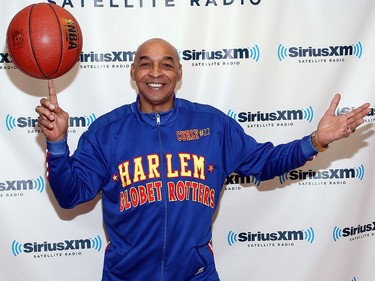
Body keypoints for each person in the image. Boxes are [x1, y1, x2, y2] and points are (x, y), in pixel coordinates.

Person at [36, 38, 370, 281]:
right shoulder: (106, 132)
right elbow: (70, 196)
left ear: (179, 73)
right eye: (146, 63)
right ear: (133, 72)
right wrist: (57, 144)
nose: (157, 72)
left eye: (167, 63)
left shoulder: (211, 126)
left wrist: (315, 141)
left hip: (196, 275)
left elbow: (265, 162)